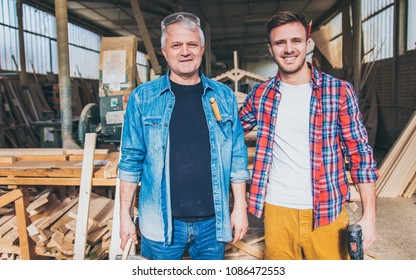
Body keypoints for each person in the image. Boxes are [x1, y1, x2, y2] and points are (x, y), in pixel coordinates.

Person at [238, 11, 379, 260]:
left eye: (296, 41)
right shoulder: (261, 95)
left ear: (307, 43)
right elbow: (229, 132)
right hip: (277, 209)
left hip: (327, 210)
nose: (288, 49)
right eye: (280, 42)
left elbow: (360, 155)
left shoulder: (338, 92)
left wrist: (369, 217)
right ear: (270, 49)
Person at [118, 12, 250, 260]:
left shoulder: (223, 96)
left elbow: (237, 156)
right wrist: (124, 216)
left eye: (191, 44)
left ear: (202, 48)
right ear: (164, 52)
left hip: (213, 223)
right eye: (176, 45)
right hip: (160, 224)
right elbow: (130, 160)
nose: (185, 51)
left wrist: (240, 208)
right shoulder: (143, 98)